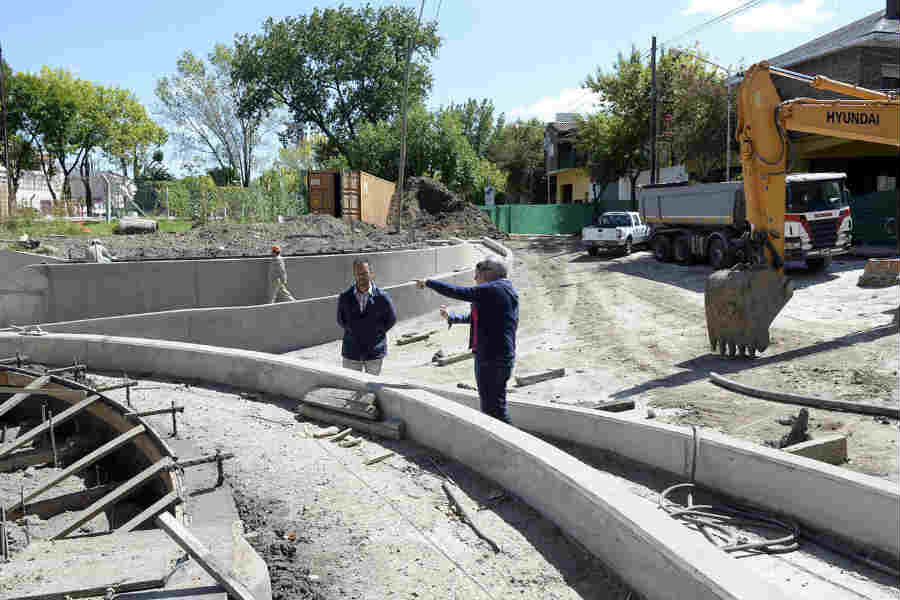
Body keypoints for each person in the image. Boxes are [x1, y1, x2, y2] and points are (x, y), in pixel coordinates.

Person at [415, 257, 518, 423]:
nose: (475, 279)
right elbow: (477, 317)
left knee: (494, 409)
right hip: (491, 355)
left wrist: (429, 282)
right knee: (493, 406)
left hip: (493, 358)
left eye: (477, 275)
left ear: (489, 273)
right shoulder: (500, 290)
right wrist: (452, 317)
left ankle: (513, 443)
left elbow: (460, 292)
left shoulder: (495, 289)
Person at [337, 258, 397, 375]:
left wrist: (377, 333)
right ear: (354, 275)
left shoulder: (382, 297)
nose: (362, 277)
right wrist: (355, 331)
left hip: (374, 353)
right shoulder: (345, 297)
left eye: (365, 273)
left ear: (371, 274)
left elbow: (391, 319)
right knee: (351, 388)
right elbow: (341, 320)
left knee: (372, 388)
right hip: (351, 352)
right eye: (358, 274)